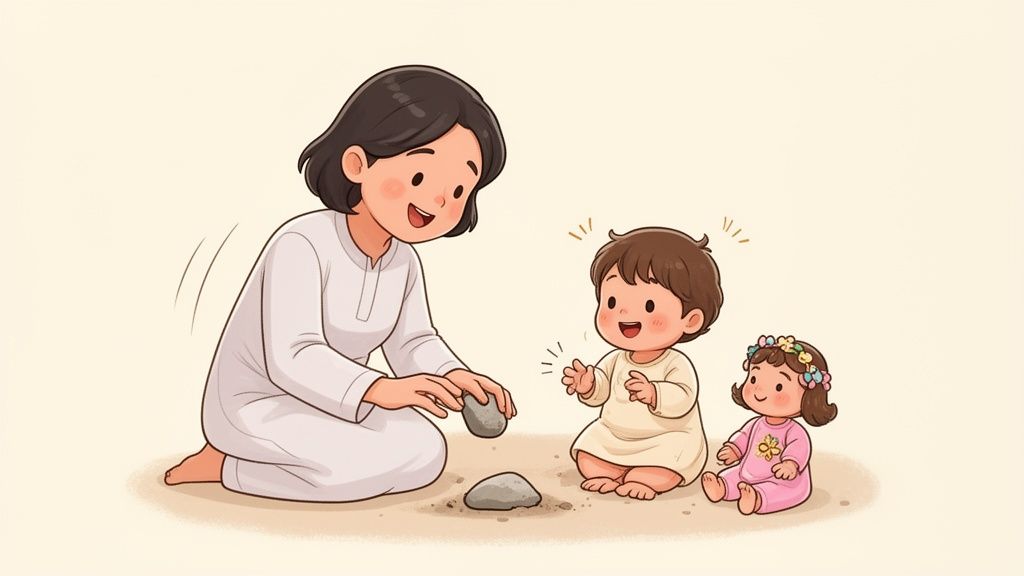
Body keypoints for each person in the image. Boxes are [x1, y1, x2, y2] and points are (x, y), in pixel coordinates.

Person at [164, 65, 516, 502]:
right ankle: (227, 465)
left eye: (460, 189)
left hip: (337, 406)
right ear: (357, 163)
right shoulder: (302, 243)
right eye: (421, 177)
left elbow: (413, 342)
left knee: (427, 451)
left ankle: (278, 463)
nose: (440, 200)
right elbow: (293, 355)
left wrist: (454, 376)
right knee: (346, 471)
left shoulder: (403, 261)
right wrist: (379, 389)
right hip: (256, 404)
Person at [561, 228, 724, 500]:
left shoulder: (675, 363)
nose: (624, 313)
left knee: (664, 464)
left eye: (649, 305)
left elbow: (684, 397)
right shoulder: (616, 360)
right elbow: (602, 390)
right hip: (616, 435)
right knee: (589, 460)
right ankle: (615, 470)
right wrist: (589, 385)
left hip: (665, 437)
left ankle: (646, 476)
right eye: (611, 301)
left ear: (691, 320)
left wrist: (654, 393)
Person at [702, 335, 838, 514]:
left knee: (777, 491)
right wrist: (734, 449)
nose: (760, 391)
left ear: (808, 396)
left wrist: (790, 465)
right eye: (753, 380)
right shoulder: (756, 423)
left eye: (779, 387)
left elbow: (798, 449)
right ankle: (722, 487)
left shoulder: (794, 431)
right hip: (749, 471)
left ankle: (757, 500)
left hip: (783, 481)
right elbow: (744, 436)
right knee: (734, 475)